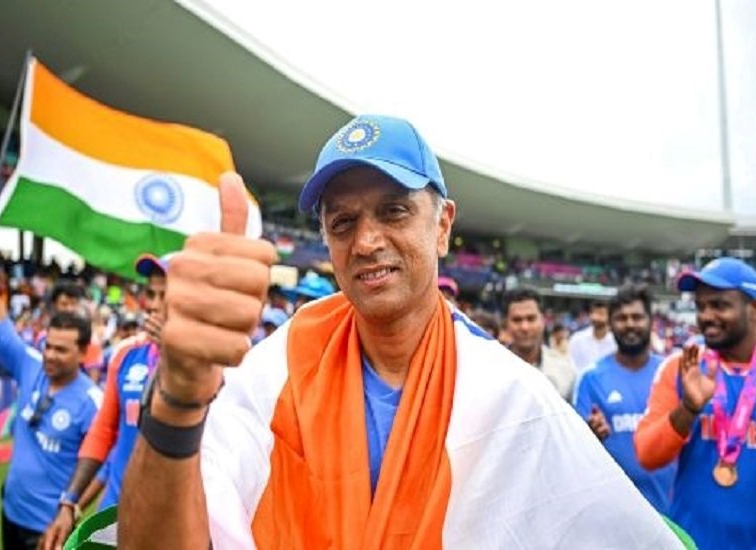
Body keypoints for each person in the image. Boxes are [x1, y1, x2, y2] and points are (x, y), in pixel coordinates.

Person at [118, 115, 680, 548]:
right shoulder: (275, 369)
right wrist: (177, 399)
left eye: (393, 211)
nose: (366, 242)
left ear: (443, 226)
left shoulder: (510, 397)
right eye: (343, 222)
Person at [0, 243, 102, 550]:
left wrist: (69, 510)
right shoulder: (31, 365)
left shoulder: (91, 402)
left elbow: (105, 467)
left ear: (83, 353)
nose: (50, 355)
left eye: (61, 350)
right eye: (48, 346)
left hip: (48, 529)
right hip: (11, 512)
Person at [40, 253, 167, 550]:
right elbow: (103, 431)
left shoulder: (211, 368)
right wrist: (69, 502)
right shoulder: (126, 354)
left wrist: (175, 354)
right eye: (151, 294)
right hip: (114, 515)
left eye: (166, 295)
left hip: (170, 524)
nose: (154, 304)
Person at [635, 258, 756, 549]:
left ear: (753, 309)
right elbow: (647, 455)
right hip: (692, 542)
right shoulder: (681, 367)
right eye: (701, 306)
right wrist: (688, 408)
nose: (706, 316)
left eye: (719, 305)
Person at [574, 284, 675, 514]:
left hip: (669, 511)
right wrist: (590, 434)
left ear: (651, 322)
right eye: (621, 318)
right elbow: (576, 448)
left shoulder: (670, 373)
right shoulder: (590, 378)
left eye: (637, 317)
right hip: (614, 514)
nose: (630, 324)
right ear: (611, 324)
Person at [503, 287, 576, 400]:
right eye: (517, 320)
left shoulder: (565, 370)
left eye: (531, 319)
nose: (525, 327)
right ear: (506, 323)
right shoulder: (490, 370)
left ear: (543, 321)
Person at [569, 300, 617, 373]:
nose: (596, 317)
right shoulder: (577, 339)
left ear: (609, 317)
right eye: (593, 313)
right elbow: (572, 364)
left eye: (601, 314)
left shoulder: (615, 342)